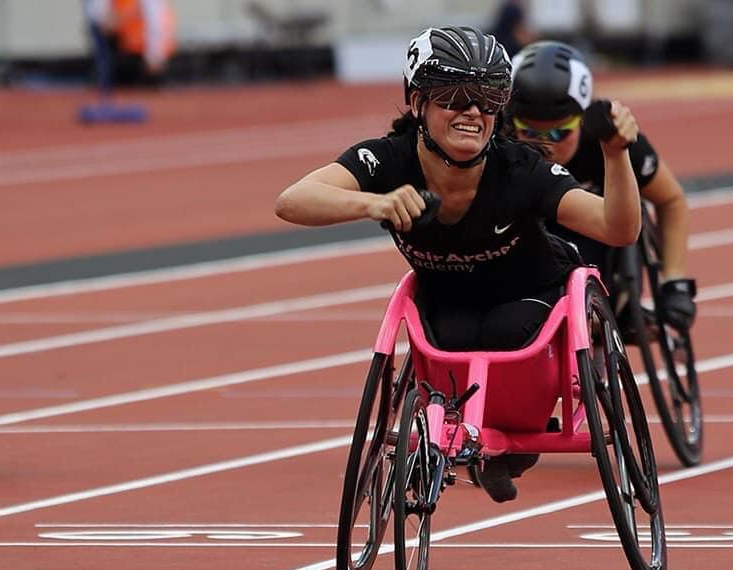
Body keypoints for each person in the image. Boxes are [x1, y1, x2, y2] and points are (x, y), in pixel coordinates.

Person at [275, 26, 642, 503]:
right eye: (454, 95)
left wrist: (616, 154)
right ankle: (472, 440)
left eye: (488, 99)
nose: (472, 111)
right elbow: (291, 200)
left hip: (530, 296)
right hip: (447, 303)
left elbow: (618, 230)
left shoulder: (519, 169)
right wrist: (373, 204)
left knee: (507, 328)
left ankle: (513, 438)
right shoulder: (388, 159)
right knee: (446, 336)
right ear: (417, 101)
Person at [507, 40, 696, 335]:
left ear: (583, 118)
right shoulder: (498, 141)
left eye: (559, 131)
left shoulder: (609, 139)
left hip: (593, 242)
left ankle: (612, 311)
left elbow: (671, 200)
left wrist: (674, 282)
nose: (545, 142)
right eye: (530, 131)